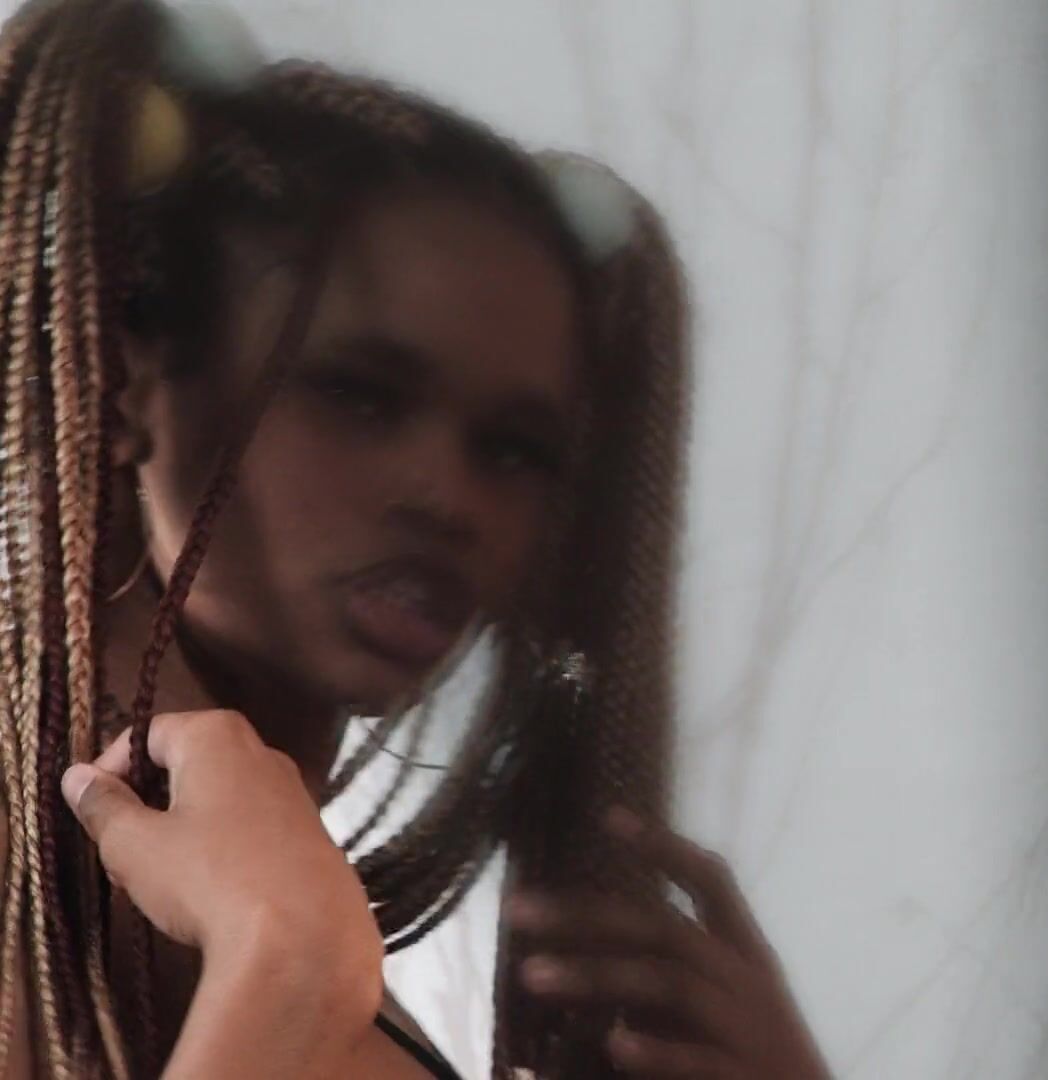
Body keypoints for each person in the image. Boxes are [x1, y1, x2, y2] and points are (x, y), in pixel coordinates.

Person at [0, 0, 832, 1076]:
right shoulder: (281, 954)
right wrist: (284, 972)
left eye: (516, 450)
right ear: (127, 386)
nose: (448, 497)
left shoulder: (319, 959)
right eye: (359, 394)